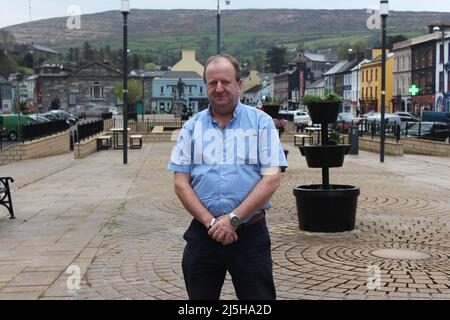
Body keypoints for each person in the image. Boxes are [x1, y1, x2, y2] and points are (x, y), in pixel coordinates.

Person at [168, 54, 287, 300]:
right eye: (212, 83)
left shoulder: (261, 123)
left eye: (225, 81)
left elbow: (271, 178)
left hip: (250, 235)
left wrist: (233, 219)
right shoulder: (192, 128)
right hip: (204, 235)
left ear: (239, 84)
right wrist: (213, 223)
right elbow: (181, 183)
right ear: (206, 86)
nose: (219, 88)